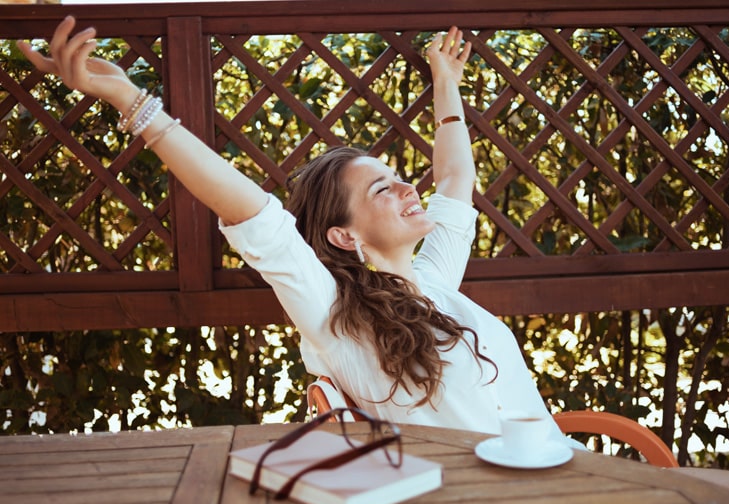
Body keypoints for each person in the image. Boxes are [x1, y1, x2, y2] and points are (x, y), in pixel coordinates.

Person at [18, 16, 564, 439]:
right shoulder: (332, 312)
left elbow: (453, 179)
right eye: (382, 189)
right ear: (344, 237)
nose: (407, 188)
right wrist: (131, 102)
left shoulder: (436, 281)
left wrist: (445, 83)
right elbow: (253, 211)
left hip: (559, 476)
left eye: (398, 177)